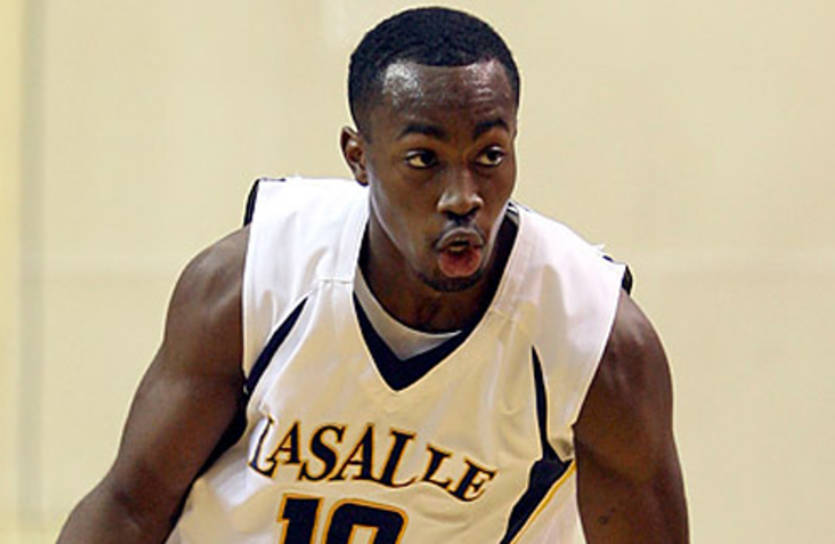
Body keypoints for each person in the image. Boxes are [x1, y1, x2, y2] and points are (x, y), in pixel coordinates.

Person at [58, 7, 688, 543]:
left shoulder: (596, 342)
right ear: (358, 158)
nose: (463, 195)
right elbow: (130, 509)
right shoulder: (250, 285)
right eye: (424, 160)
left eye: (489, 155)